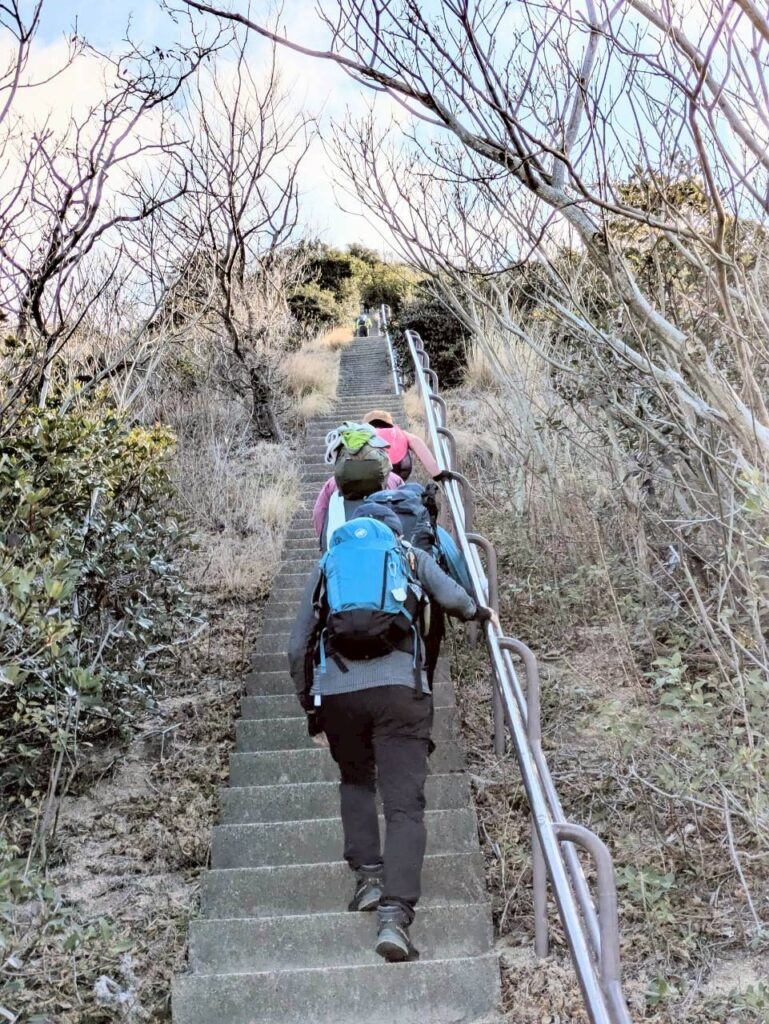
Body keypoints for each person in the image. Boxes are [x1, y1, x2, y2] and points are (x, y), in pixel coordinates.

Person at [287, 502, 494, 963]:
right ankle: (395, 918)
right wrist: (480, 612)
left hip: (339, 693)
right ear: (395, 529)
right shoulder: (408, 553)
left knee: (356, 781)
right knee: (403, 806)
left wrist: (312, 708)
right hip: (401, 691)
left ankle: (368, 879)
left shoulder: (329, 561)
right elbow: (455, 600)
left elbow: (297, 644)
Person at [362, 410, 443, 482]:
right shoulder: (400, 433)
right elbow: (417, 443)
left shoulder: (364, 435)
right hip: (402, 467)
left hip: (375, 469)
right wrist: (436, 473)